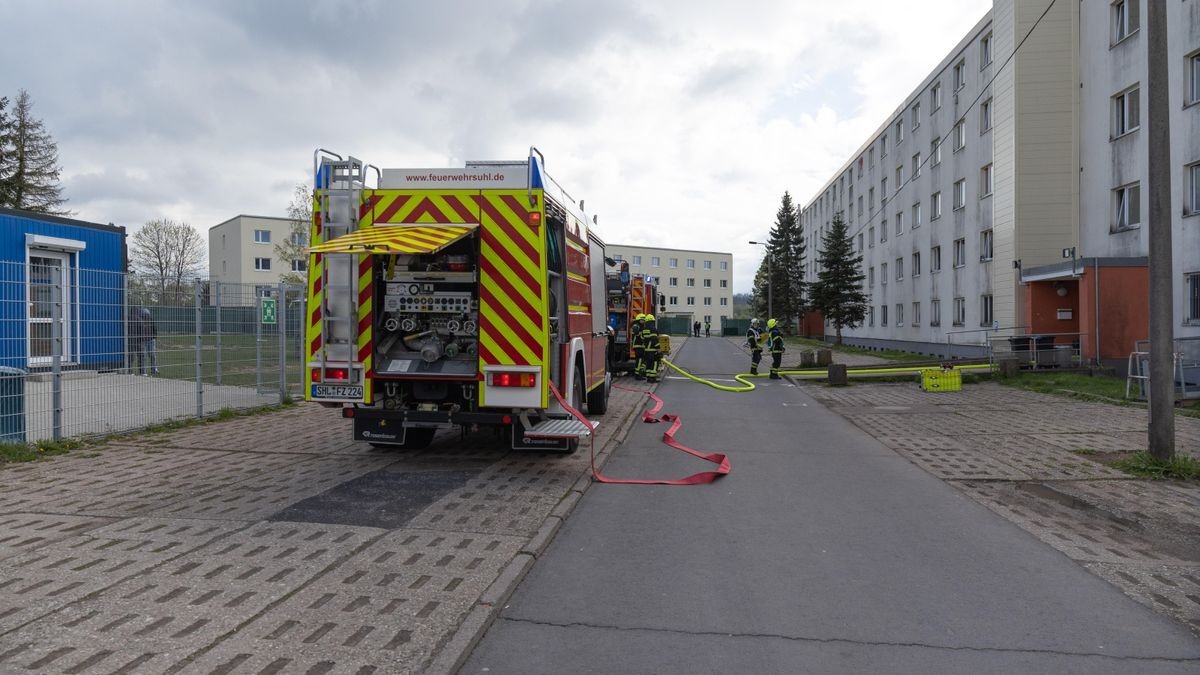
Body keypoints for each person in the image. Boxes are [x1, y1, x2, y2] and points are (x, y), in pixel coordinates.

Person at [128, 306, 159, 376]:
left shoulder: (147, 319)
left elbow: (154, 328)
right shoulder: (139, 319)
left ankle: (151, 369)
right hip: (142, 341)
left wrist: (153, 337)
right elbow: (142, 330)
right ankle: (143, 372)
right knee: (141, 356)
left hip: (144, 340)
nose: (146, 315)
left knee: (147, 356)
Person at [642, 314, 661, 383]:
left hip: (646, 350)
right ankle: (652, 378)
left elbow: (643, 339)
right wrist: (658, 348)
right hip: (653, 350)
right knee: (655, 363)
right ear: (652, 321)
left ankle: (649, 378)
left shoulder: (644, 329)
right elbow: (654, 339)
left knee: (648, 364)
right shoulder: (652, 328)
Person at [632, 313, 646, 379]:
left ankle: (640, 373)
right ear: (639, 319)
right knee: (639, 360)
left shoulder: (641, 326)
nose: (643, 321)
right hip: (638, 345)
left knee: (641, 360)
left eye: (644, 320)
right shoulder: (636, 326)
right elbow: (639, 334)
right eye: (642, 320)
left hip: (640, 346)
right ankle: (637, 375)